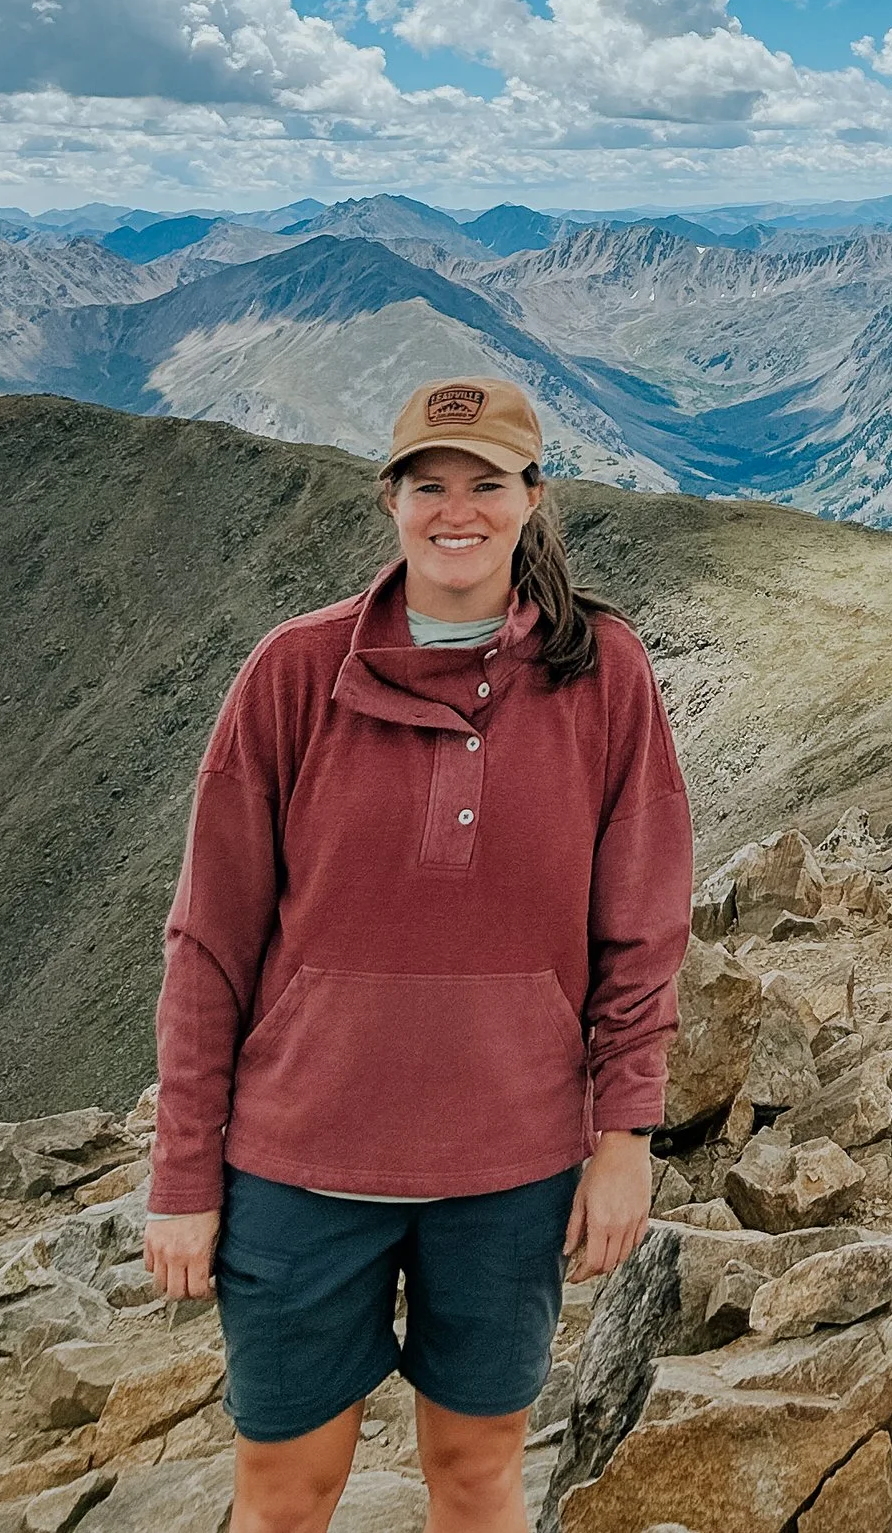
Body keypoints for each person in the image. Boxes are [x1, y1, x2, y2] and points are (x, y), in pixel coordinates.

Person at [141, 376, 694, 1533]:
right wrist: (186, 1179)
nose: (458, 511)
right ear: (388, 501)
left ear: (532, 500)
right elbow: (208, 944)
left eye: (486, 485)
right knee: (286, 1495)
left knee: (479, 1476)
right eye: (428, 485)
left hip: (510, 1169)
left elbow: (641, 929)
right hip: (296, 1171)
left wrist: (624, 1139)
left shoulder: (605, 674)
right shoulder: (295, 673)